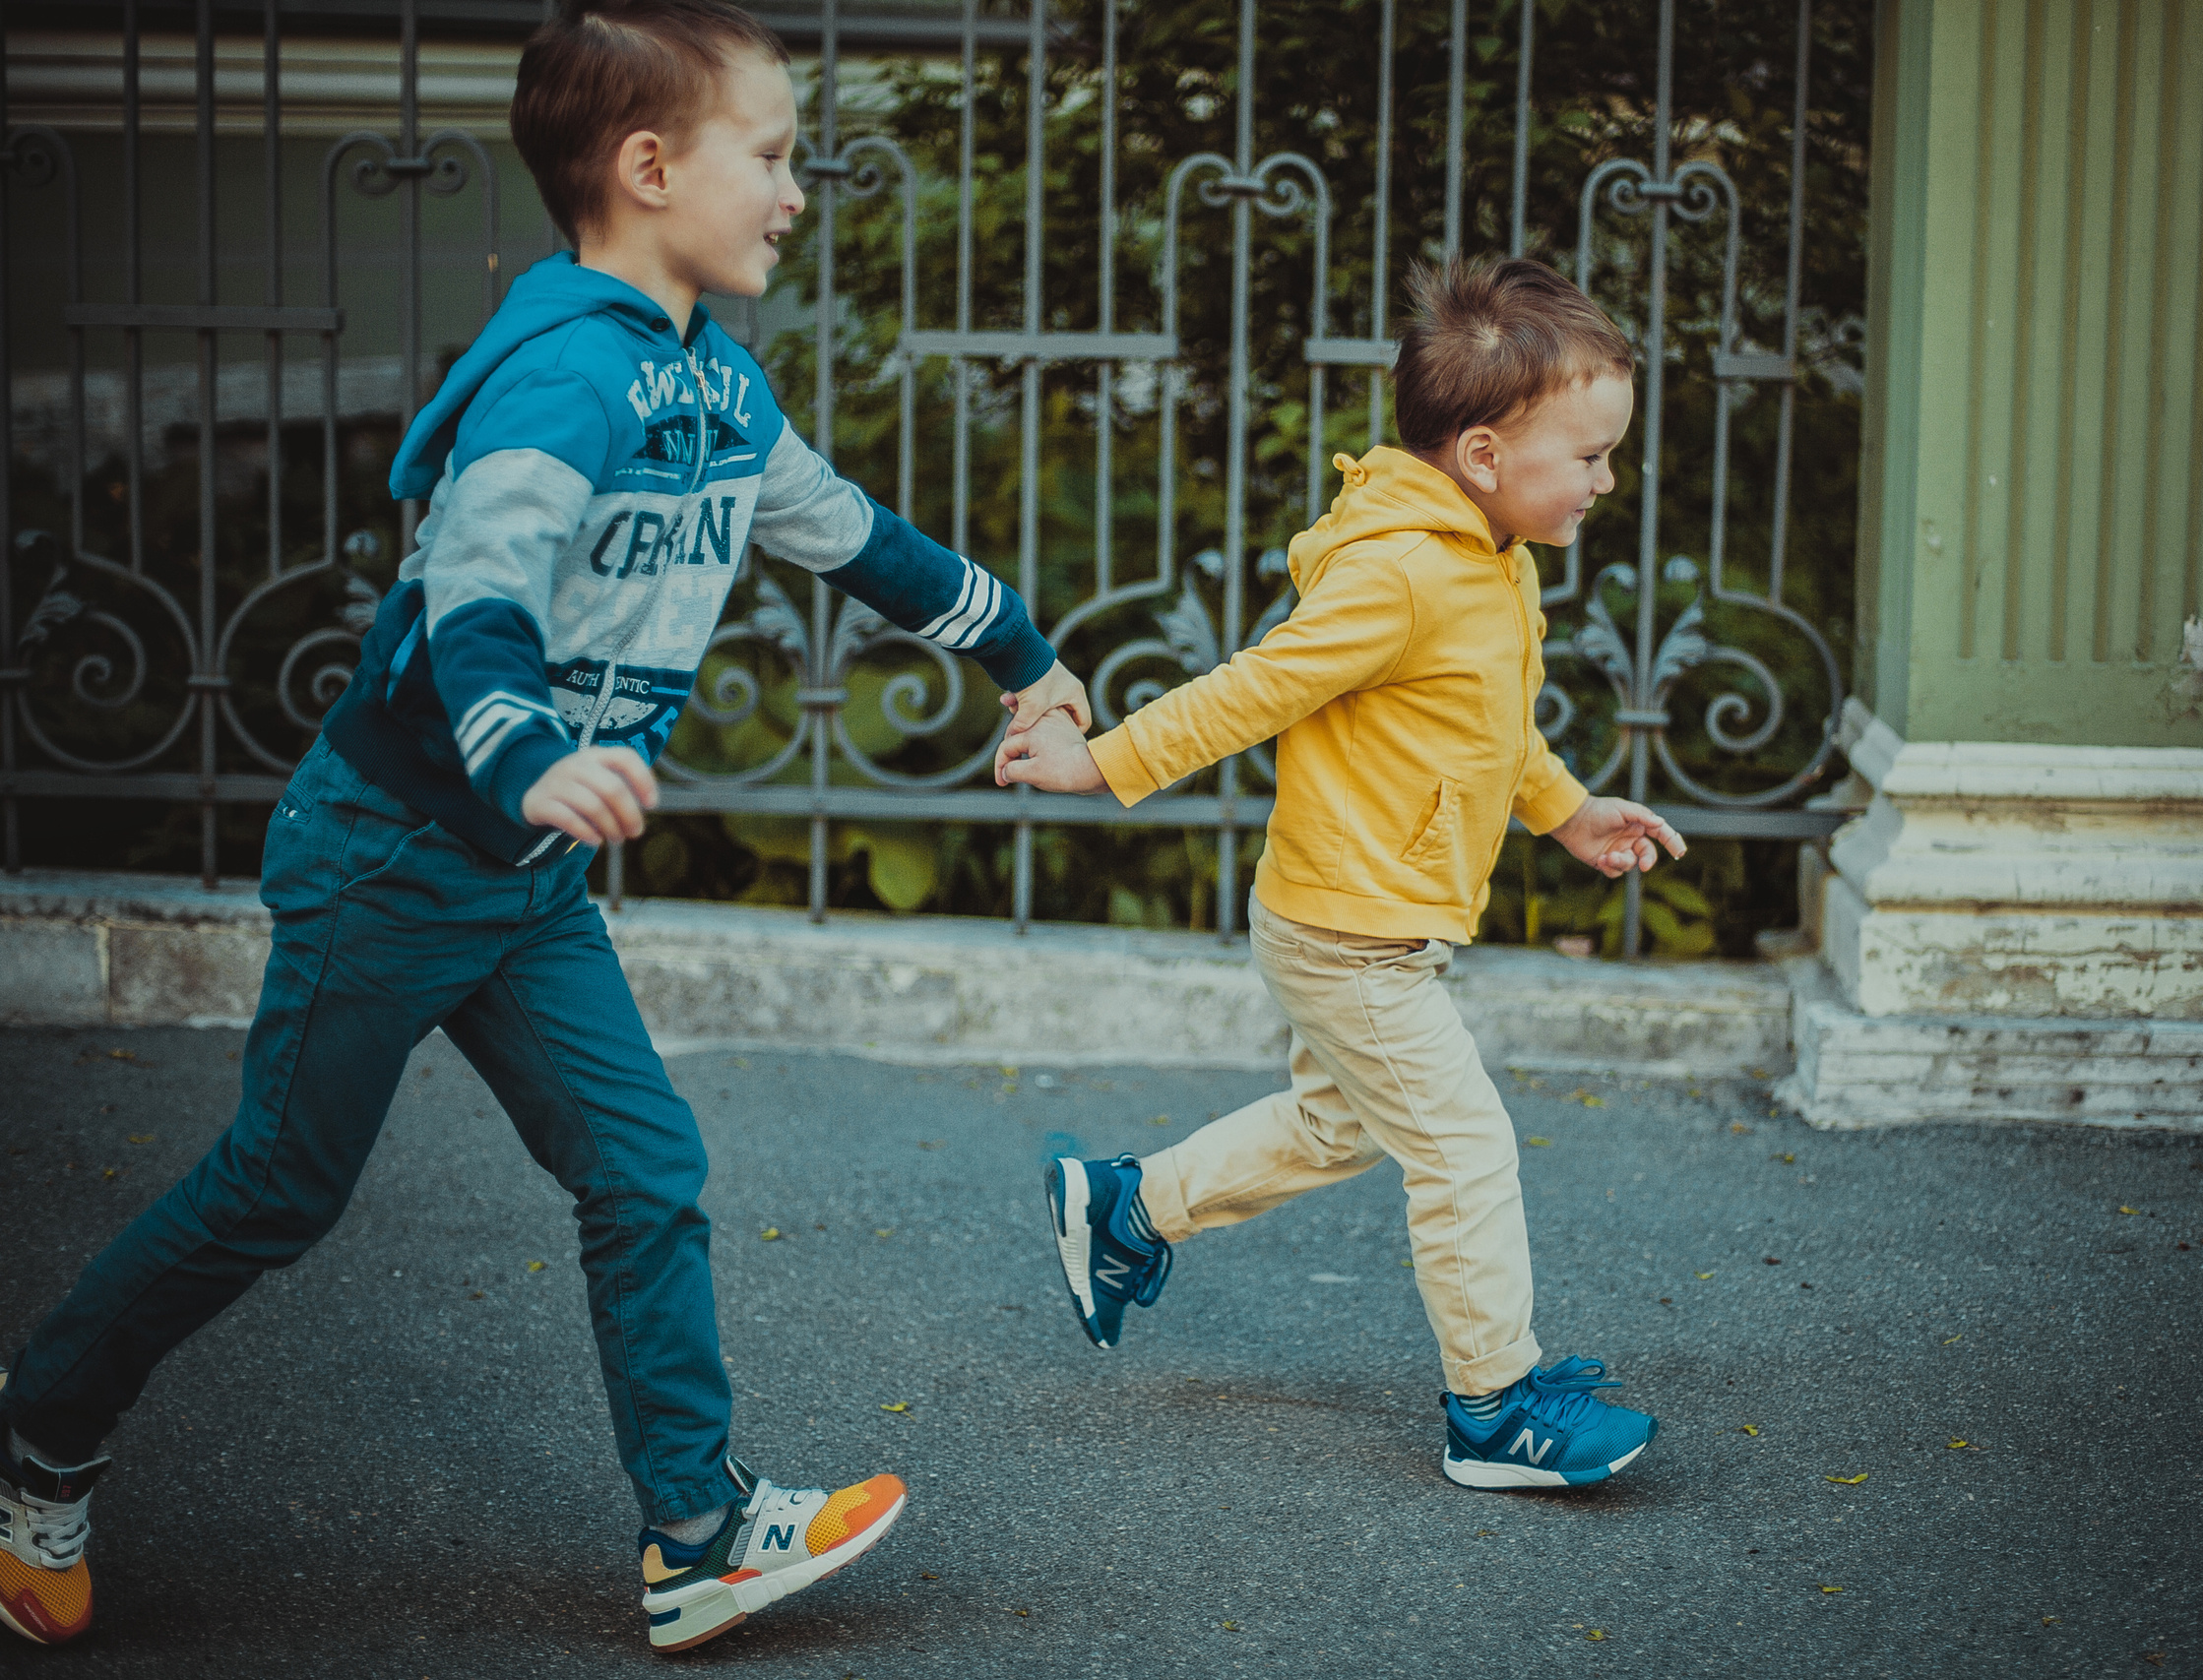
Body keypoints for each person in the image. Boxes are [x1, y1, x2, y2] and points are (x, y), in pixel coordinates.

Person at [0, 0, 1087, 1652]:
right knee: (279, 1189)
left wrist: (1029, 653)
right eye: (773, 156)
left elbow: (861, 538)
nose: (797, 192)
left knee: (644, 1163)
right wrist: (523, 755)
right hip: (397, 852)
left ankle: (700, 1534)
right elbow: (476, 592)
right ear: (651, 168)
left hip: (523, 880)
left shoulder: (713, 388)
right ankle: (42, 1425)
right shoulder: (564, 377)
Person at [998, 256, 1685, 1493]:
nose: (1604, 479)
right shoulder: (1401, 572)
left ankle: (1126, 1208)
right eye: (1586, 456)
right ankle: (1493, 1408)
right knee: (1464, 1147)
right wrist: (1096, 765)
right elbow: (1256, 686)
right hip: (1349, 931)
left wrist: (1567, 811)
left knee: (1339, 1124)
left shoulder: (1488, 556)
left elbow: (1490, 723)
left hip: (1366, 913)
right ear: (1482, 452)